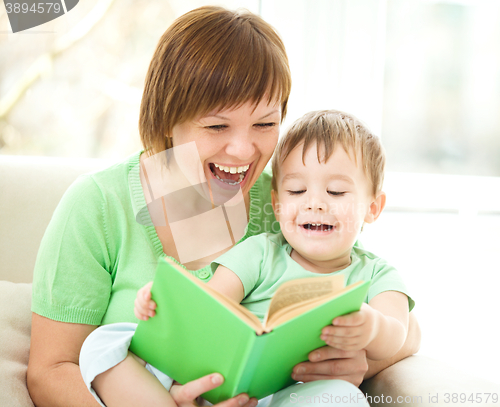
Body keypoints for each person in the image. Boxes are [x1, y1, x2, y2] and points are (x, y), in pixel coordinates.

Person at [27, 6, 421, 407]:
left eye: (265, 125)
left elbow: (403, 327)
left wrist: (352, 365)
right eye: (217, 126)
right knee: (107, 344)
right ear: (167, 117)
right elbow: (50, 370)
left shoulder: (289, 203)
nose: (243, 150)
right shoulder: (98, 205)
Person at [81, 110, 414, 407]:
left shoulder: (378, 274)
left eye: (336, 192)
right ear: (277, 202)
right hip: (219, 382)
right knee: (104, 342)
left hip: (294, 394)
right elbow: (211, 303)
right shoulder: (260, 251)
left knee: (343, 398)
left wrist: (372, 328)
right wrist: (166, 302)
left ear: (373, 207)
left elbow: (398, 333)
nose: (315, 203)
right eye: (297, 191)